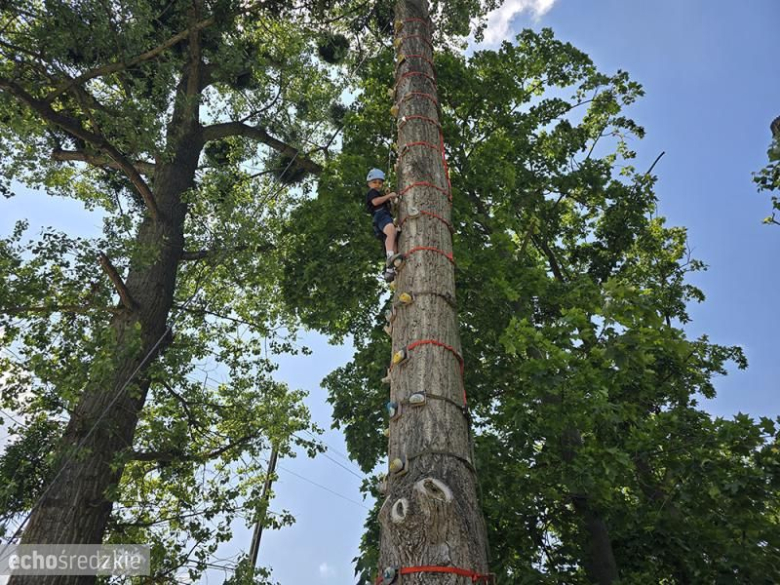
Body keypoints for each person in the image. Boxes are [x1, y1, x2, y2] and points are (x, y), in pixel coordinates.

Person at [365, 168, 403, 281]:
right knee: (391, 230)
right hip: (380, 216)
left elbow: (389, 207)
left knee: (393, 237)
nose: (377, 185)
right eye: (374, 182)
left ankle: (391, 269)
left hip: (384, 217)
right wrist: (389, 196)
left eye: (380, 182)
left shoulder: (379, 194)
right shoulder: (372, 193)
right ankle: (390, 257)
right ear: (369, 183)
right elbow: (375, 202)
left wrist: (392, 200)